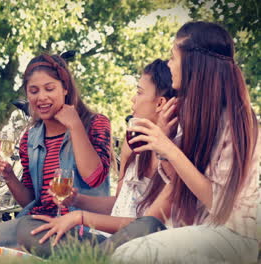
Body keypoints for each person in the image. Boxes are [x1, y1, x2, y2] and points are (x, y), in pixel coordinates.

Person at [111, 21, 259, 263]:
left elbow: (220, 204)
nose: (169, 65)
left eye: (172, 57)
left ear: (193, 62)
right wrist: (166, 147)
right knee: (130, 249)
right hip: (198, 228)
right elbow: (181, 188)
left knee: (130, 254)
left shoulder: (239, 120)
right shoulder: (195, 114)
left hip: (234, 234)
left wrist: (168, 147)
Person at [16, 59, 177, 258]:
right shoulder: (133, 143)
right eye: (34, 91)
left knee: (147, 226)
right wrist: (78, 200)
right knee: (28, 226)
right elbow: (119, 204)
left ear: (160, 103)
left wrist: (79, 217)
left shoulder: (177, 152)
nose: (132, 100)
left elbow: (147, 224)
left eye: (139, 92)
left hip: (146, 240)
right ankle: (94, 258)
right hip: (111, 240)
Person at [0, 53, 112, 251]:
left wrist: (75, 126)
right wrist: (10, 177)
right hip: (36, 220)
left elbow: (94, 177)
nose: (41, 97)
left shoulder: (95, 124)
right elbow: (31, 200)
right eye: (34, 91)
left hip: (79, 225)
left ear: (65, 88)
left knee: (16, 241)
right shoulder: (31, 137)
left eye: (49, 88)